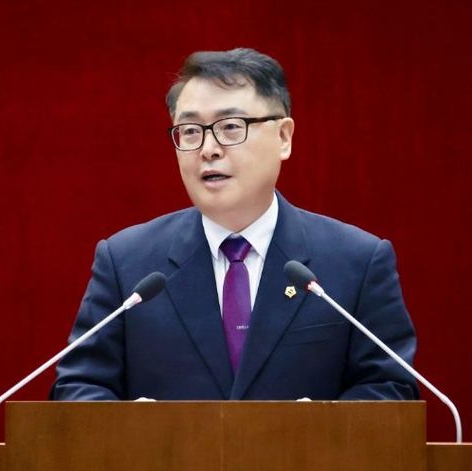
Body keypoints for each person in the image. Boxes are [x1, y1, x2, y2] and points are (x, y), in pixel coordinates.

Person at [50, 48, 418, 401]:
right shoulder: (127, 263)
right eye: (190, 130)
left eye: (230, 126)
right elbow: (77, 386)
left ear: (283, 137)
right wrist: (136, 428)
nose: (208, 148)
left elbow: (391, 388)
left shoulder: (357, 262)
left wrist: (320, 427)